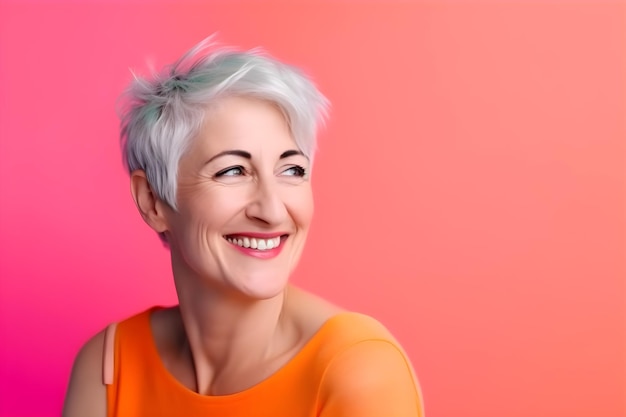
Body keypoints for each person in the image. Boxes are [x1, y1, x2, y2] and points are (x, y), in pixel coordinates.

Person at [63, 37, 425, 417]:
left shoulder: (359, 371)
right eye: (233, 170)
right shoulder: (109, 366)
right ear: (153, 201)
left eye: (292, 170)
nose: (271, 210)